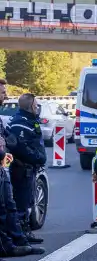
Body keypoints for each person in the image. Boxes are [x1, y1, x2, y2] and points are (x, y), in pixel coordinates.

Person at [0, 79, 42, 261]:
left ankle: (13, 242)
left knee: (8, 206)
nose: (5, 96)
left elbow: (6, 139)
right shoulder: (20, 121)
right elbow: (18, 145)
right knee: (10, 206)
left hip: (3, 166)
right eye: (2, 93)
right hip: (16, 166)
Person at [8, 93, 46, 243]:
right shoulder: (20, 123)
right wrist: (37, 157)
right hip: (22, 168)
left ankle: (25, 233)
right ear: (30, 106)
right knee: (22, 203)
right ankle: (21, 236)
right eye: (35, 105)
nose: (37, 108)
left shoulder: (28, 120)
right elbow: (21, 147)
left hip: (28, 168)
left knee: (28, 201)